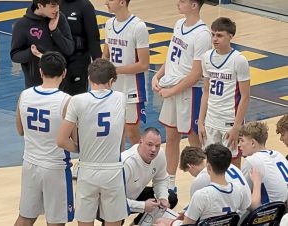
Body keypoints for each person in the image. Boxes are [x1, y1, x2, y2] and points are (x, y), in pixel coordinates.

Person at [57, 58, 128, 226]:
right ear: (111, 81)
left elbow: (61, 140)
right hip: (113, 170)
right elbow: (121, 135)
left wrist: (80, 149)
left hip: (87, 169)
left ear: (89, 79)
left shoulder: (77, 101)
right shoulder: (121, 98)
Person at [151, 0, 211, 191]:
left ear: (194, 5)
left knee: (195, 140)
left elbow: (195, 74)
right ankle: (169, 183)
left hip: (190, 92)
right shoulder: (179, 25)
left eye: (183, 1)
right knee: (171, 136)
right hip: (173, 87)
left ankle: (205, 181)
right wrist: (158, 74)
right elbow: (171, 56)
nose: (178, 3)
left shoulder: (203, 34)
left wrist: (171, 90)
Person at [14, 51, 74, 226]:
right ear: (64, 73)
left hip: (30, 163)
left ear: (40, 72)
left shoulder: (24, 95)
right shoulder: (67, 101)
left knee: (26, 217)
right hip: (55, 167)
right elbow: (74, 140)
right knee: (56, 221)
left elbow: (20, 130)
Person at [198, 17, 250, 168]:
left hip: (229, 121)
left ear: (230, 36)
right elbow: (205, 91)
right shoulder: (206, 57)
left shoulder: (239, 60)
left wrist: (236, 127)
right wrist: (201, 121)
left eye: (219, 35)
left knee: (233, 166)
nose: (215, 39)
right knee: (211, 164)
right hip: (211, 120)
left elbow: (245, 97)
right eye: (213, 35)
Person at [156, 144, 251, 226]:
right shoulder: (236, 183)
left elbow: (189, 223)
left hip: (215, 221)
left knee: (160, 221)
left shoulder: (201, 187)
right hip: (238, 219)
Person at [103, 0, 149, 147]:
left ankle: (139, 169)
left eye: (110, 0)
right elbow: (106, 54)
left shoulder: (138, 26)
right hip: (112, 88)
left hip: (132, 89)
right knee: (116, 133)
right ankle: (119, 167)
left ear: (122, 2)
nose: (106, 2)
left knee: (133, 134)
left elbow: (144, 64)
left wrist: (115, 71)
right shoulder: (109, 24)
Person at [10, 0, 74, 89]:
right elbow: (15, 55)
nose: (57, 9)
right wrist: (30, 53)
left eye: (58, 5)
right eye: (53, 6)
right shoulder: (22, 25)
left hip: (60, 84)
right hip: (35, 86)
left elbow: (69, 49)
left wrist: (54, 31)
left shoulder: (59, 18)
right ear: (40, 5)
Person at [122, 127, 178, 224]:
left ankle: (137, 223)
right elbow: (114, 200)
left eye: (157, 146)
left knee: (170, 198)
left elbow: (161, 180)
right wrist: (143, 206)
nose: (153, 149)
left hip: (134, 195)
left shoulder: (159, 155)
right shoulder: (126, 162)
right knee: (117, 217)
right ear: (140, 142)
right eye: (150, 145)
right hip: (110, 202)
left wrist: (163, 198)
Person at [179, 146, 251, 209]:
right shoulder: (226, 164)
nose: (192, 175)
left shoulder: (201, 178)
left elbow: (194, 211)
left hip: (234, 214)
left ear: (190, 166)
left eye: (189, 171)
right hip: (246, 209)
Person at [239, 121, 288, 209]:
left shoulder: (252, 161)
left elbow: (240, 194)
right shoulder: (278, 154)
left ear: (253, 143)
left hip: (273, 214)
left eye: (242, 140)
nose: (239, 145)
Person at [60, 0, 102, 95]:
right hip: (57, 60)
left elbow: (93, 38)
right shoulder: (53, 4)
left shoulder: (85, 6)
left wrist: (99, 65)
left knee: (76, 99)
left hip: (78, 61)